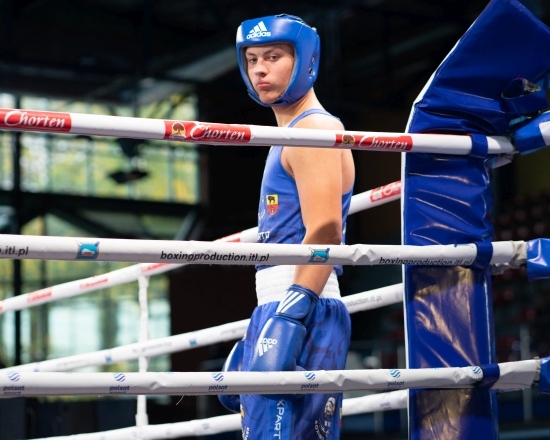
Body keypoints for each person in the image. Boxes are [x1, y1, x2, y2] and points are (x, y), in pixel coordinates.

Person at [219, 14, 355, 440]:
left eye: (274, 57)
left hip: (303, 303)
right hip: (286, 303)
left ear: (306, 61)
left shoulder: (313, 128)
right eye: (252, 59)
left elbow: (327, 229)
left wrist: (290, 316)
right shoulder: (289, 132)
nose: (260, 69)